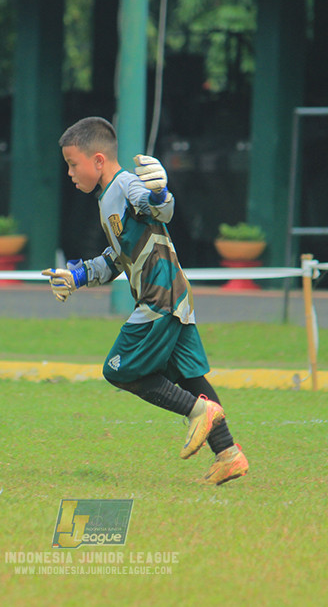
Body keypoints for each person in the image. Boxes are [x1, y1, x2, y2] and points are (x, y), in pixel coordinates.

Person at [42, 116, 248, 485]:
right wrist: (75, 276)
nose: (70, 173)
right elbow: (117, 257)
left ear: (99, 160)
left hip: (158, 297)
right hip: (173, 294)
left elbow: (159, 209)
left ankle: (196, 412)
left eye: (74, 164)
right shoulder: (107, 198)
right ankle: (229, 454)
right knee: (188, 376)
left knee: (118, 370)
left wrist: (158, 193)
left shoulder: (125, 185)